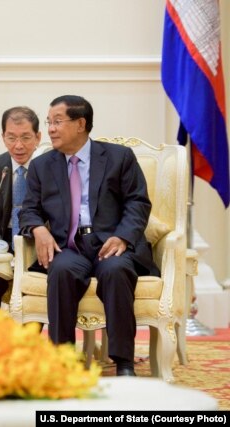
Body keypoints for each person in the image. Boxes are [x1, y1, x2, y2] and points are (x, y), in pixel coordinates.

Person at [19, 95, 159, 376]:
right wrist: (38, 228)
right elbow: (28, 210)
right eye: (49, 122)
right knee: (60, 270)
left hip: (110, 244)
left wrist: (123, 237)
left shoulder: (119, 157)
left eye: (57, 121)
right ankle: (63, 361)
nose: (51, 129)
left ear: (81, 123)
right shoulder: (41, 165)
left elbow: (137, 203)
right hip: (69, 247)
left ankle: (124, 363)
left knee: (117, 270)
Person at [0, 106, 41, 307]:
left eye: (26, 138)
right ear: (3, 137)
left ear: (38, 137)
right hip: (3, 240)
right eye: (11, 138)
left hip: (38, 241)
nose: (18, 145)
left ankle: (29, 336)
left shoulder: (51, 166)